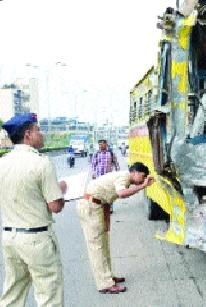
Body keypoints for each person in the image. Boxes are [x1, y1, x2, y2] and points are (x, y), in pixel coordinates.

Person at [0, 113, 66, 307]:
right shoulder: (41, 163)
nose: (41, 133)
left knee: (13, 293)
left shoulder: (2, 163)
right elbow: (55, 206)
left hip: (10, 238)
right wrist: (61, 190)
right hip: (37, 239)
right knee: (48, 295)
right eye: (38, 129)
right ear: (28, 134)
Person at [76, 162, 154, 294]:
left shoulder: (125, 179)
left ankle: (108, 277)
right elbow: (122, 193)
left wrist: (106, 222)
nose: (144, 178)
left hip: (98, 206)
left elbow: (108, 199)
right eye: (143, 175)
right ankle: (105, 284)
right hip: (90, 206)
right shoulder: (124, 176)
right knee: (97, 247)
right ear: (135, 172)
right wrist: (143, 186)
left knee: (104, 245)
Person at [91, 139, 120, 213]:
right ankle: (102, 207)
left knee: (109, 192)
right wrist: (93, 174)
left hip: (109, 177)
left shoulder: (111, 153)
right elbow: (93, 165)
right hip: (99, 177)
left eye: (102, 144)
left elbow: (116, 163)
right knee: (100, 192)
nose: (100, 146)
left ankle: (110, 207)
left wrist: (118, 174)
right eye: (99, 144)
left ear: (106, 145)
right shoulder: (96, 154)